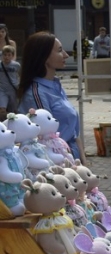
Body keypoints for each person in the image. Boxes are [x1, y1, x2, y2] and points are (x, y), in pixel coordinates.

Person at [17, 32, 84, 162]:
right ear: (45, 57)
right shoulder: (36, 93)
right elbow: (45, 140)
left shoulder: (56, 85)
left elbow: (75, 133)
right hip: (58, 165)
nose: (66, 54)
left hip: (72, 159)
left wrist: (84, 164)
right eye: (60, 50)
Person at [0, 45, 20, 121]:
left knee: (14, 110)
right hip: (2, 89)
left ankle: (15, 123)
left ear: (12, 56)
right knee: (2, 109)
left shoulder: (16, 65)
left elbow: (19, 75)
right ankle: (3, 123)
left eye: (9, 55)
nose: (6, 57)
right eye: (5, 55)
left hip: (13, 89)